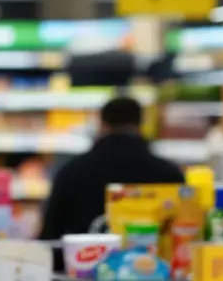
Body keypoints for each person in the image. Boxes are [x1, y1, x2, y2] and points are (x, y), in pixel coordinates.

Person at [39, 95, 184, 242]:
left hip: (85, 255)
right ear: (141, 126)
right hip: (151, 256)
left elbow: (50, 235)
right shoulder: (169, 174)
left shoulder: (71, 172)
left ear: (102, 124)